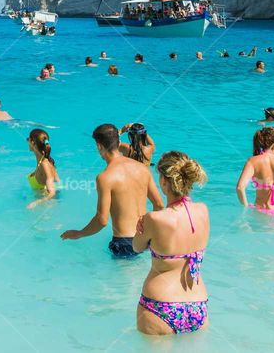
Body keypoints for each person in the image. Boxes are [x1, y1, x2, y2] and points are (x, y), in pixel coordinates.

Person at [132, 151, 209, 335]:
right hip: (197, 304)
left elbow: (136, 247)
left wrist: (140, 229)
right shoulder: (203, 211)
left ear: (164, 181)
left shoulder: (155, 219)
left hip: (159, 306)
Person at [61, 124, 163, 257]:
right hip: (145, 239)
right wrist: (151, 232)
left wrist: (79, 233)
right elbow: (159, 205)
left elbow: (102, 220)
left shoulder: (105, 177)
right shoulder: (142, 168)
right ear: (119, 142)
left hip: (124, 243)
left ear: (99, 146)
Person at [26, 128, 59, 208]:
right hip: (48, 205)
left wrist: (36, 203)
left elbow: (52, 192)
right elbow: (58, 182)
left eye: (28, 139)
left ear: (32, 142)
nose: (27, 142)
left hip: (46, 208)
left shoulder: (45, 164)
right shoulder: (46, 161)